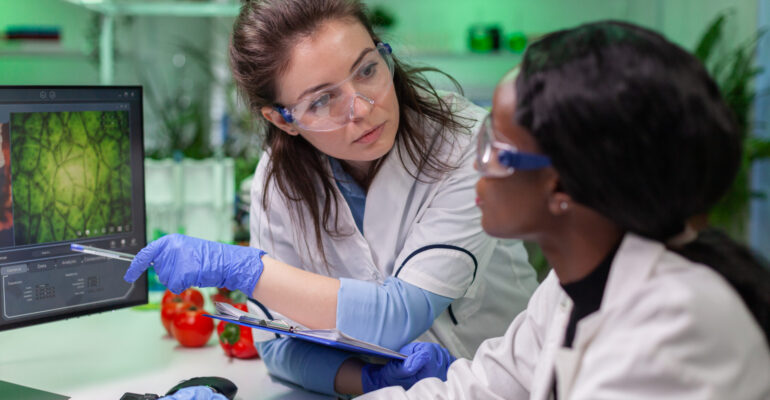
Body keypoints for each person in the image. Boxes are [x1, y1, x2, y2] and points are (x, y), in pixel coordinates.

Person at [124, 0, 538, 396]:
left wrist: (247, 272)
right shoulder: (277, 180)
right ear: (281, 120)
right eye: (322, 100)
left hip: (502, 388)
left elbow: (399, 313)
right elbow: (278, 347)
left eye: (367, 70)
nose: (361, 107)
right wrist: (368, 380)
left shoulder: (464, 143)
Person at [355, 20, 770, 398]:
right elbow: (482, 387)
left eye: (497, 148)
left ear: (561, 185)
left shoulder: (674, 326)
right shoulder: (568, 288)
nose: (477, 165)